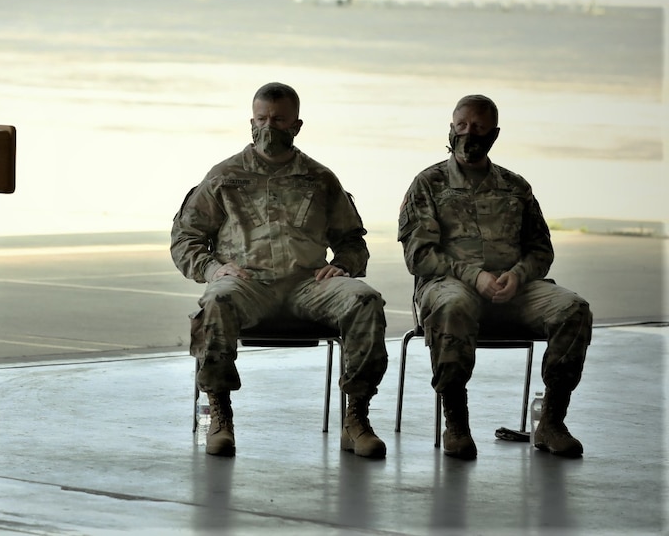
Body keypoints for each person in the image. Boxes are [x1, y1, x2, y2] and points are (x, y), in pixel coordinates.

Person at [171, 82, 389, 459]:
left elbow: (353, 240)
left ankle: (357, 418)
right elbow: (185, 238)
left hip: (309, 284)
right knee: (216, 301)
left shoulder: (320, 179)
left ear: (297, 125)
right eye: (262, 119)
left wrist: (342, 266)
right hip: (248, 284)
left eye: (279, 120)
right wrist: (213, 269)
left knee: (365, 300)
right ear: (251, 122)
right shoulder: (225, 176)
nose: (269, 126)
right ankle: (221, 416)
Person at [398, 94, 592, 460]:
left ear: (494, 134)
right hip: (452, 286)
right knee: (452, 305)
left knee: (573, 309)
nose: (469, 133)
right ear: (451, 128)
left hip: (515, 291)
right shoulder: (428, 184)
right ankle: (456, 422)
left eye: (479, 127)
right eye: (462, 125)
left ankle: (552, 421)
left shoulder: (515, 187)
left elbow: (541, 250)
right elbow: (419, 255)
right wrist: (474, 276)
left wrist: (519, 276)